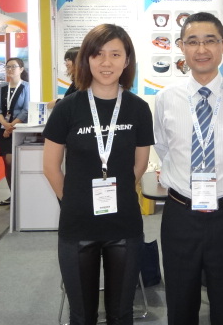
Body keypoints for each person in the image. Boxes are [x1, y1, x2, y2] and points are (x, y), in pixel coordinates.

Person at [43, 24, 154, 325]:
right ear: (87, 59)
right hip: (77, 225)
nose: (107, 63)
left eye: (115, 54)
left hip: (124, 224)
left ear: (127, 60)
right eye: (98, 54)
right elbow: (50, 167)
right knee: (82, 315)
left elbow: (140, 164)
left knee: (121, 314)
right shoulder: (67, 108)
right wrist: (74, 200)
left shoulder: (138, 108)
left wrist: (119, 193)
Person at [154, 12, 223, 325]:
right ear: (182, 47)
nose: (201, 49)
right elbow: (164, 148)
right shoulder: (165, 98)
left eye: (210, 41)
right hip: (179, 216)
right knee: (180, 305)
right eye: (193, 42)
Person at [0, 58, 29, 206]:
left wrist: (11, 126)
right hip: (3, 129)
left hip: (19, 129)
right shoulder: (3, 87)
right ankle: (13, 195)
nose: (10, 69)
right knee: (7, 163)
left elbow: (26, 110)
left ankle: (22, 194)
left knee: (17, 162)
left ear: (21, 69)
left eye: (13, 67)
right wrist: (5, 124)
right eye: (7, 67)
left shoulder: (27, 86)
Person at [47, 46, 80, 110]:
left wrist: (57, 102)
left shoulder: (84, 83)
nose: (66, 64)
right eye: (66, 60)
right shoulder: (76, 81)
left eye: (69, 60)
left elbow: (76, 103)